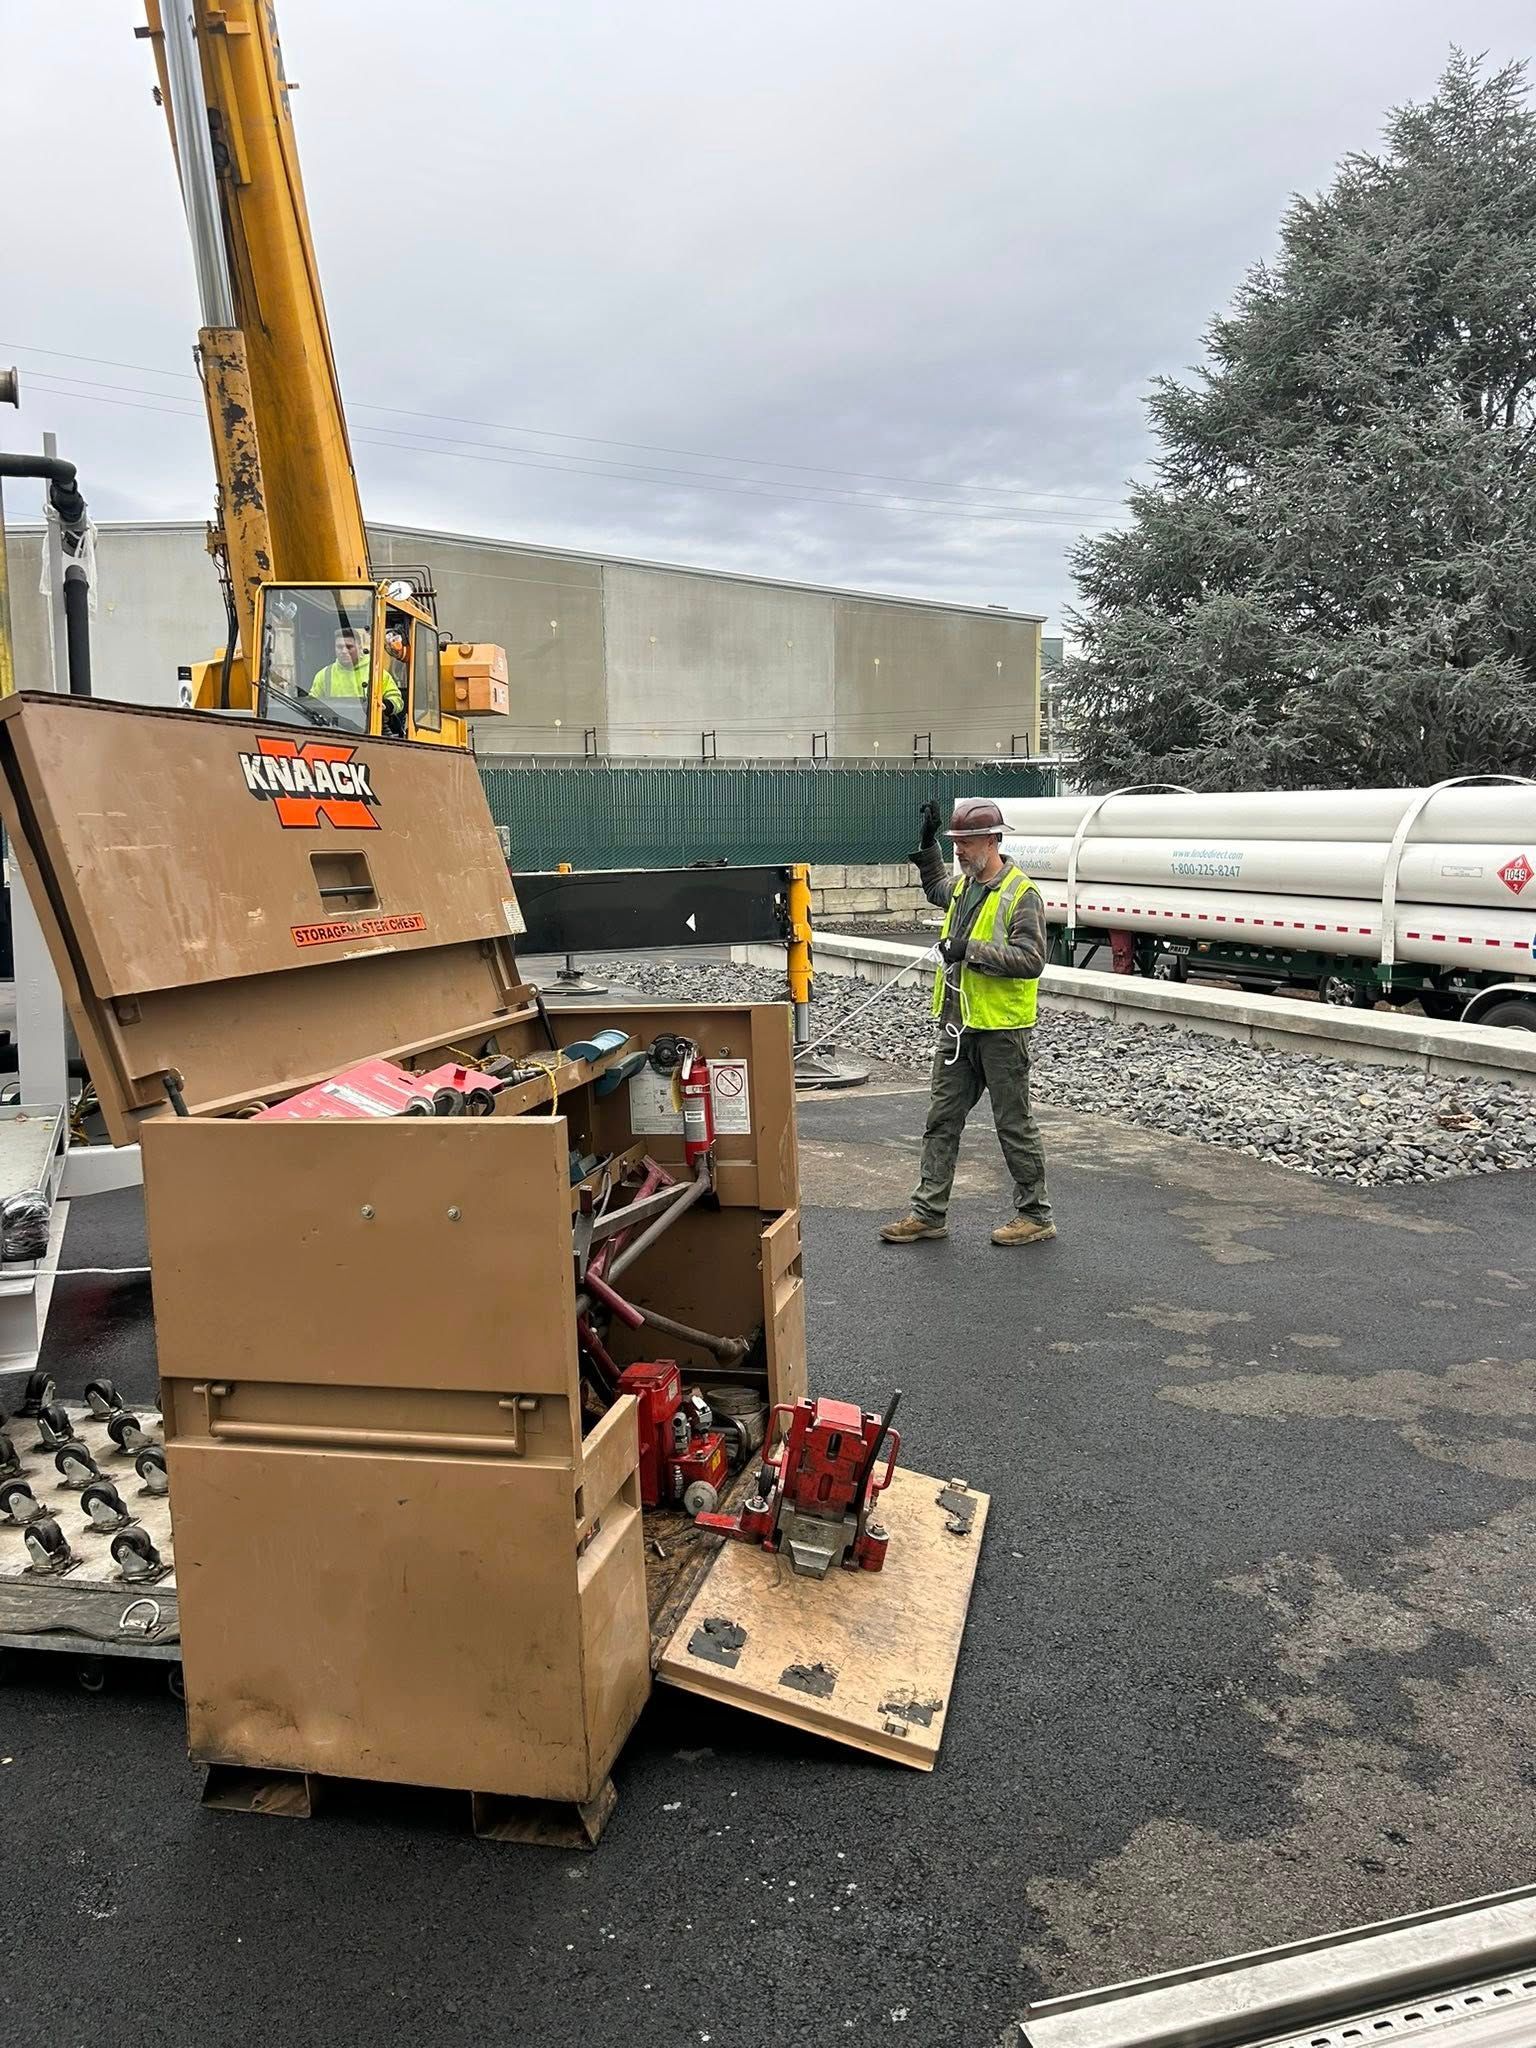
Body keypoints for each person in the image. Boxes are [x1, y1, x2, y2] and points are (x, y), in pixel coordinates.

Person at [880, 797, 1055, 1248]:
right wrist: (927, 843)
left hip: (1001, 1031)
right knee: (941, 1120)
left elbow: (1032, 960)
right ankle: (928, 1213)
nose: (959, 850)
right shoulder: (964, 887)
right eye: (955, 842)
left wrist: (969, 951)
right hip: (958, 1027)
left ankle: (1035, 1215)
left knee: (1013, 1124)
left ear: (993, 840)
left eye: (966, 842)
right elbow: (936, 886)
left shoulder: (1021, 894)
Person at [304, 625, 405, 731]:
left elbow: (397, 700)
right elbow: (312, 704)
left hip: (368, 732)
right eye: (339, 647)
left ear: (360, 647)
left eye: (349, 647)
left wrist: (386, 706)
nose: (344, 651)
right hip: (333, 732)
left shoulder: (377, 673)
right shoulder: (324, 675)